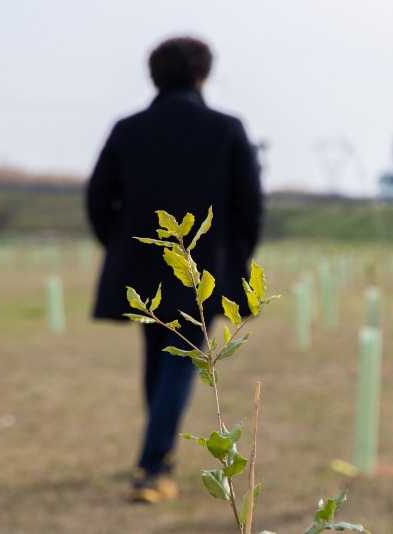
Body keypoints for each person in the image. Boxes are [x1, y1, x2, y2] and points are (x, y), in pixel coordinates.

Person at [86, 36, 263, 504]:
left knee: (160, 358)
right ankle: (153, 465)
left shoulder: (128, 129)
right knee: (181, 362)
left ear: (153, 75)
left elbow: (98, 199)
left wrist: (123, 245)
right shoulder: (226, 129)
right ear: (203, 74)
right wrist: (230, 258)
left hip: (141, 266)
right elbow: (250, 208)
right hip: (203, 271)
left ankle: (156, 454)